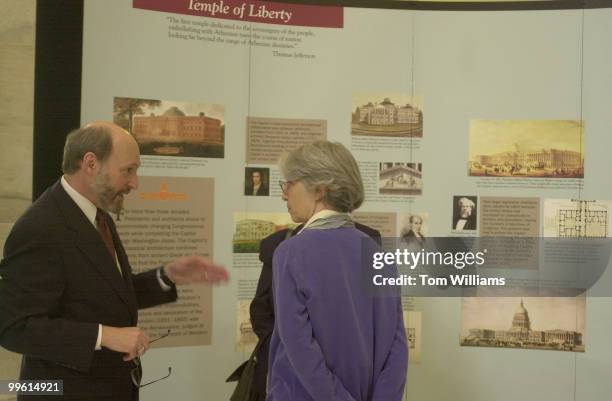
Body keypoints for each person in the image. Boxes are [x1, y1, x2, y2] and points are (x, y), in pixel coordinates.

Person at [0, 122, 229, 401]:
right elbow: (14, 326)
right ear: (90, 163)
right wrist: (103, 336)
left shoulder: (97, 215)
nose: (135, 183)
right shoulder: (40, 227)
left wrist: (166, 276)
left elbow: (106, 291)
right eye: (128, 170)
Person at [266, 141, 407, 401]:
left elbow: (299, 348)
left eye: (289, 183)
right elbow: (396, 348)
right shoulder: (379, 254)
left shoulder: (291, 253)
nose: (284, 193)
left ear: (319, 190)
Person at [249, 213, 381, 401]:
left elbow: (383, 322)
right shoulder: (282, 245)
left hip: (350, 373)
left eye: (291, 185)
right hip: (292, 379)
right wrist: (287, 350)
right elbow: (261, 310)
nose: (285, 195)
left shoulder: (368, 240)